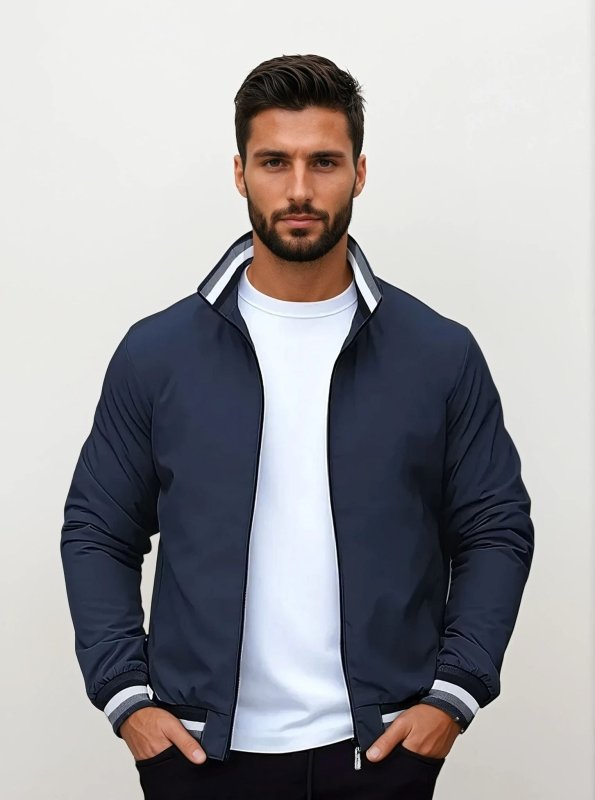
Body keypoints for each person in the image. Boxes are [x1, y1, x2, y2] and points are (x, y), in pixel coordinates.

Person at [60, 54, 535, 800]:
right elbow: (97, 530)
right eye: (275, 162)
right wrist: (128, 700)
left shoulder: (438, 354)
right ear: (240, 173)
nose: (300, 189)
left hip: (380, 752)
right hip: (199, 755)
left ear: (360, 172)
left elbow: (494, 530)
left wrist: (453, 695)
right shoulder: (158, 355)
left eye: (325, 162)